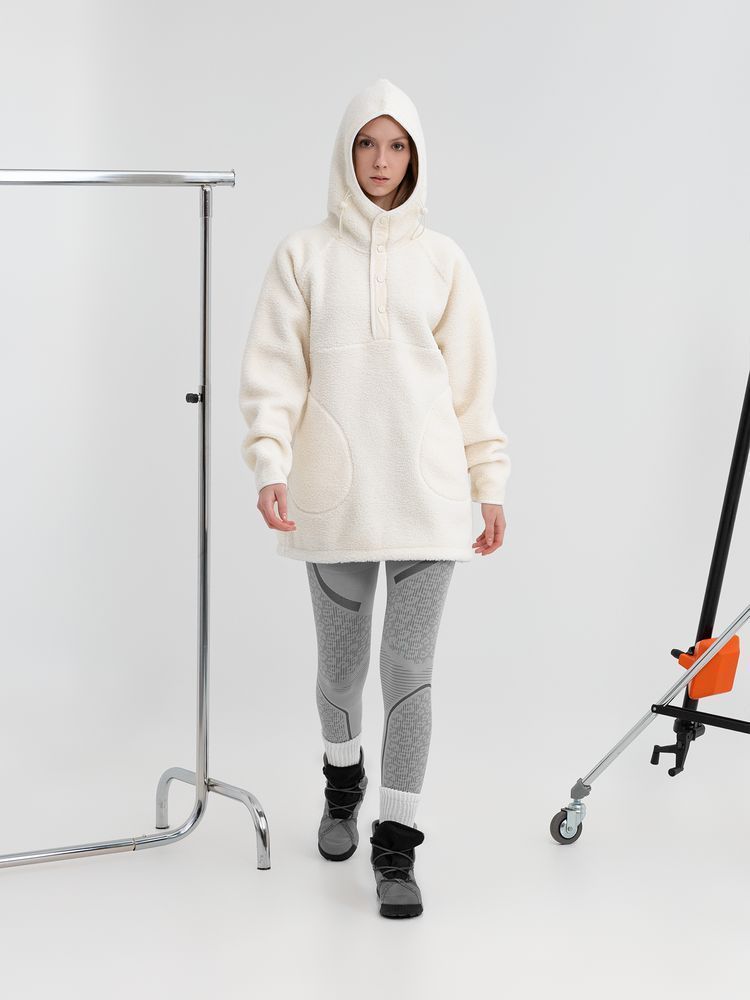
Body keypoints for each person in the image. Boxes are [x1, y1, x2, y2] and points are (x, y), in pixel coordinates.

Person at [238, 78, 511, 919]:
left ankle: (397, 845)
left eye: (396, 146)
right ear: (346, 152)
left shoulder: (445, 261)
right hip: (335, 497)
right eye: (367, 143)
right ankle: (342, 784)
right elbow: (274, 373)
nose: (381, 161)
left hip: (430, 497)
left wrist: (490, 482)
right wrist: (269, 464)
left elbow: (473, 385)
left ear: (415, 157)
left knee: (409, 671)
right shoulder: (303, 256)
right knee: (341, 668)